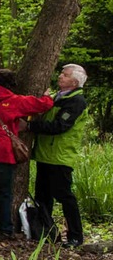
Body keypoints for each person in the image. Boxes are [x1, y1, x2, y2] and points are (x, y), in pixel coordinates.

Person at [0, 69, 53, 241]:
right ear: (11, 84)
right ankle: (5, 230)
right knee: (5, 192)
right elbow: (42, 105)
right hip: (2, 152)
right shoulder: (12, 101)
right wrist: (48, 96)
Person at [29, 64, 88, 247]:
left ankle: (75, 237)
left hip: (60, 157)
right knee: (42, 197)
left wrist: (29, 127)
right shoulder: (56, 97)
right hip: (45, 155)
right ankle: (47, 233)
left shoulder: (76, 101)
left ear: (75, 81)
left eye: (65, 74)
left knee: (64, 196)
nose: (60, 76)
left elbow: (59, 127)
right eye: (62, 73)